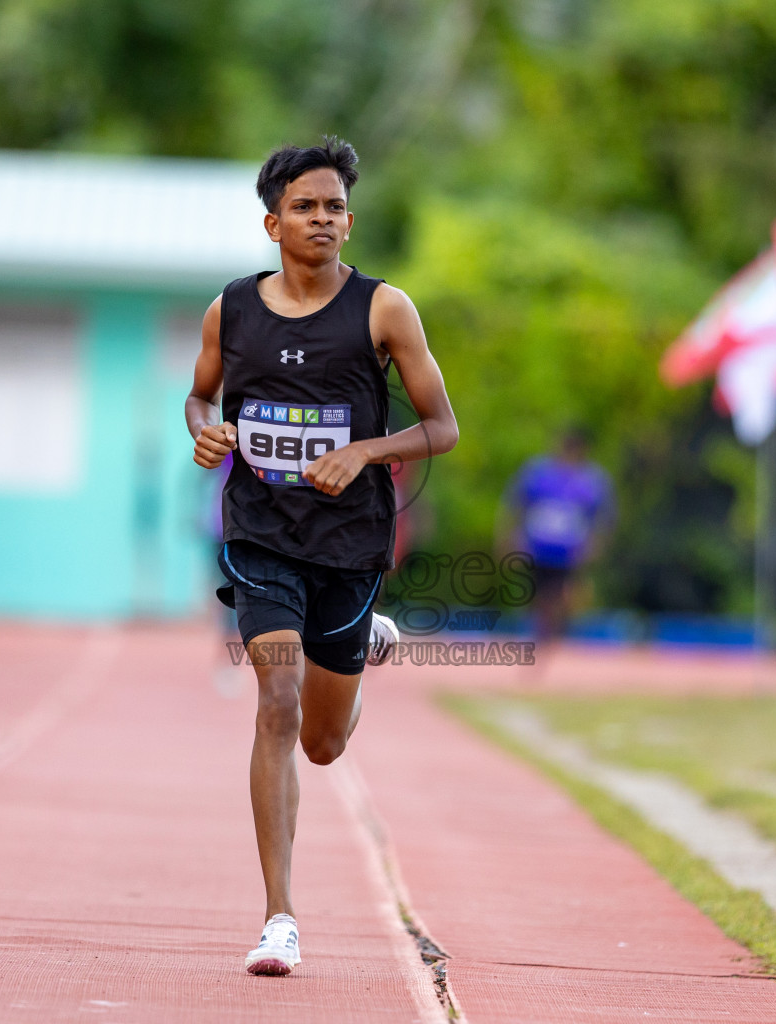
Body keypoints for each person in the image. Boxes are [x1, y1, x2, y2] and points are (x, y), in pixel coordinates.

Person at [184, 137, 458, 977]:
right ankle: (280, 920)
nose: (323, 219)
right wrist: (208, 432)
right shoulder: (232, 311)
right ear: (273, 221)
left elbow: (441, 427)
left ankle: (363, 639)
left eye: (335, 206)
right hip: (261, 538)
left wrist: (367, 452)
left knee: (323, 743)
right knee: (276, 698)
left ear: (350, 218)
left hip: (348, 547)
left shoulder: (384, 311)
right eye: (305, 206)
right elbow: (198, 396)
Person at [500, 429, 614, 641]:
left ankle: (558, 632)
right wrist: (511, 536)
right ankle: (544, 632)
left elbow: (604, 515)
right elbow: (516, 504)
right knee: (541, 595)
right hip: (539, 547)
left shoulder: (591, 480)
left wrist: (596, 542)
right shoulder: (538, 473)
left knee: (565, 593)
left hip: (570, 550)